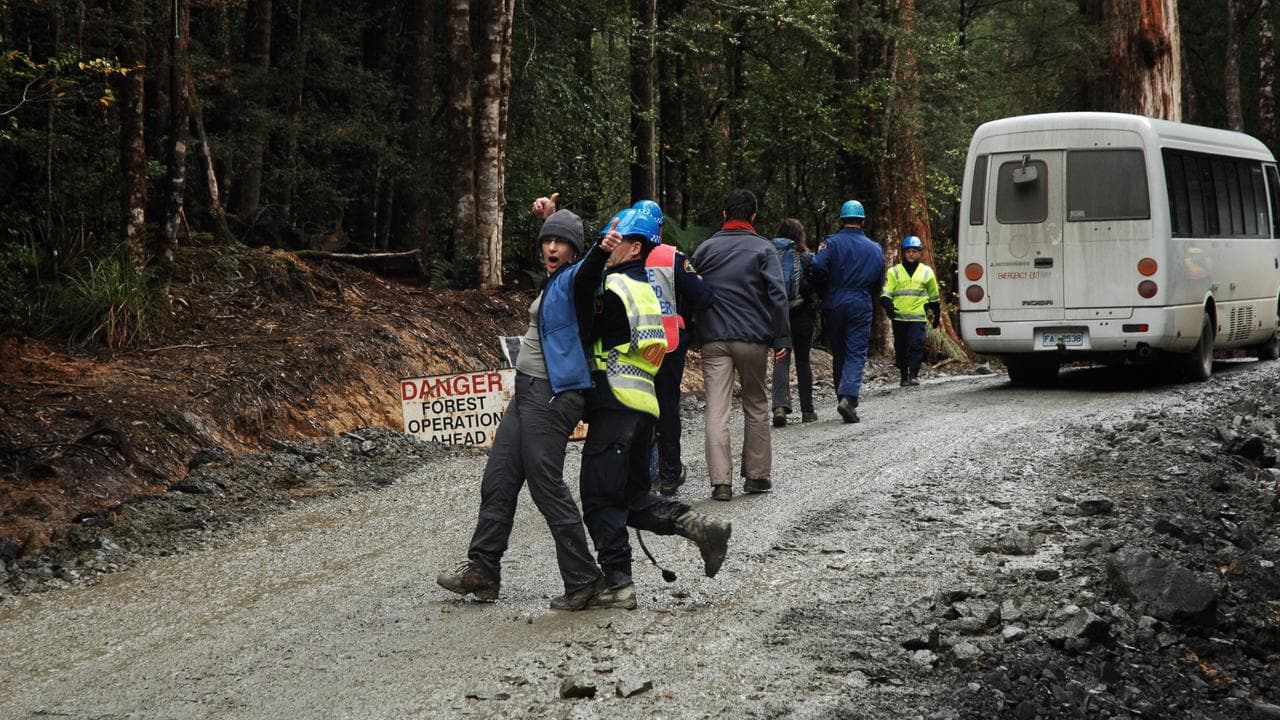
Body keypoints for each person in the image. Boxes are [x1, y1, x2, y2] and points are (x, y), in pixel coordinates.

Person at [435, 203, 620, 611]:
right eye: (547, 242)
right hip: (526, 393)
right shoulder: (555, 279)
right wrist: (552, 218)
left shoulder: (577, 278)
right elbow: (561, 242)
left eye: (561, 243)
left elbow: (589, 271)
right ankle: (483, 571)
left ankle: (585, 578)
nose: (551, 248)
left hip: (554, 395)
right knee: (499, 478)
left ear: (574, 250)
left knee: (545, 484)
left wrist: (602, 250)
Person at [578, 208, 732, 609]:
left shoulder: (613, 289)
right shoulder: (645, 289)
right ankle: (698, 526)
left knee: (599, 498)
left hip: (614, 404)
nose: (606, 248)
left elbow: (582, 325)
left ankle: (619, 584)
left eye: (614, 241)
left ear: (634, 246)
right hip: (643, 404)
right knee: (629, 496)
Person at [691, 189, 791, 501]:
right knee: (757, 404)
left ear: (724, 215)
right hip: (753, 339)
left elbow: (691, 288)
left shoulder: (705, 249)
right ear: (753, 217)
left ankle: (721, 483)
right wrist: (782, 337)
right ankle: (757, 477)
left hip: (714, 339)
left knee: (716, 411)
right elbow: (777, 294)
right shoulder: (763, 249)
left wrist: (695, 332)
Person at [631, 199, 716, 497]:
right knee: (666, 407)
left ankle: (642, 475)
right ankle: (669, 474)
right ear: (661, 227)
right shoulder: (672, 258)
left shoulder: (619, 252)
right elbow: (703, 296)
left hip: (630, 344)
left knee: (636, 408)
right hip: (668, 344)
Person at [811, 200, 885, 424]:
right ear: (862, 221)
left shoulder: (830, 244)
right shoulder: (875, 248)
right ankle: (848, 397)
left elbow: (817, 267)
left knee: (839, 351)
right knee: (855, 352)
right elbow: (879, 280)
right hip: (860, 301)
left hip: (834, 300)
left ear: (841, 220)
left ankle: (842, 396)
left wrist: (824, 289)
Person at [769, 218, 820, 426]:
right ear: (800, 235)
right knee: (803, 360)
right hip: (802, 315)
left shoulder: (770, 256)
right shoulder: (808, 258)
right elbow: (816, 285)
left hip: (778, 314)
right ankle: (807, 410)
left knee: (781, 356)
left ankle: (780, 407)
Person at [880, 235, 941, 387]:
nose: (911, 254)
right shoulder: (894, 272)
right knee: (900, 347)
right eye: (908, 251)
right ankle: (903, 376)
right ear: (903, 253)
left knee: (916, 345)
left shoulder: (927, 272)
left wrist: (937, 314)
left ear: (920, 253)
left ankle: (914, 374)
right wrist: (888, 305)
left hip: (918, 317)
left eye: (914, 251)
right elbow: (886, 292)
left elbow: (934, 295)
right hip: (899, 317)